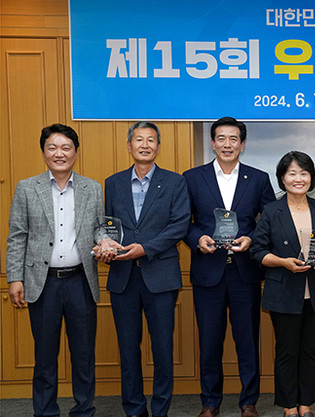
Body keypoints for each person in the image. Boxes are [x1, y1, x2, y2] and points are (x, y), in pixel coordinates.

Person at [6, 124, 108, 417]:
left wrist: (105, 241)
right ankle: (45, 412)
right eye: (52, 147)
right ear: (43, 152)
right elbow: (17, 236)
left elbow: (99, 228)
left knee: (84, 355)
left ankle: (83, 410)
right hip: (42, 283)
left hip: (81, 282)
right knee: (45, 356)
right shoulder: (27, 187)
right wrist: (15, 278)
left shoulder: (92, 188)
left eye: (66, 148)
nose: (59, 153)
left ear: (76, 152)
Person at [182, 117, 275, 417]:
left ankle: (249, 402)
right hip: (208, 271)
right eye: (221, 138)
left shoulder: (258, 178)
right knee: (209, 342)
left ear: (242, 144)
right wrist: (198, 239)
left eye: (233, 139)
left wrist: (251, 239)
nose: (227, 144)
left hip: (245, 272)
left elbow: (269, 222)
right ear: (212, 143)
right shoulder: (192, 178)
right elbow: (184, 222)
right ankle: (210, 403)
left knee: (247, 340)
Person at [100, 121, 190, 417]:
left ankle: (161, 410)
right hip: (123, 278)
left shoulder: (175, 182)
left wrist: (146, 248)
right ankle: (135, 410)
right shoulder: (113, 183)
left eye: (151, 140)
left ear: (158, 147)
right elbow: (108, 224)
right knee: (128, 350)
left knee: (163, 350)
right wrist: (105, 244)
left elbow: (179, 225)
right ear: (129, 145)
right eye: (139, 139)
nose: (145, 145)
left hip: (160, 276)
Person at [250, 151, 315, 417]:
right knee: (287, 351)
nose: (298, 179)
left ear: (311, 177)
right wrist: (282, 262)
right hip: (284, 290)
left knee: (311, 350)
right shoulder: (271, 211)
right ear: (282, 178)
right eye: (292, 173)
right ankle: (289, 407)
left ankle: (306, 404)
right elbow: (257, 251)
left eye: (304, 173)